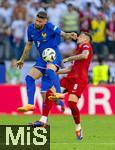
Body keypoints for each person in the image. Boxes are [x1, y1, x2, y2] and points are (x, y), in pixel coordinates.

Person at [32, 32, 93, 141]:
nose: (79, 37)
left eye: (81, 36)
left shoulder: (86, 46)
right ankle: (43, 120)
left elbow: (85, 55)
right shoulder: (78, 50)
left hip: (79, 79)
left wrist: (68, 58)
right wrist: (54, 72)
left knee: (71, 103)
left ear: (86, 39)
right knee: (50, 92)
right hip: (70, 77)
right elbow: (70, 69)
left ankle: (78, 127)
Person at [17, 11, 77, 112]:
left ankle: (59, 93)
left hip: (54, 55)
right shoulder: (31, 28)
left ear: (45, 21)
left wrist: (69, 34)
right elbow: (28, 45)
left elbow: (63, 34)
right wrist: (22, 59)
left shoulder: (50, 26)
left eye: (40, 21)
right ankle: (30, 104)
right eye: (36, 20)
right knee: (29, 78)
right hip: (42, 58)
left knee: (49, 72)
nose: (37, 23)